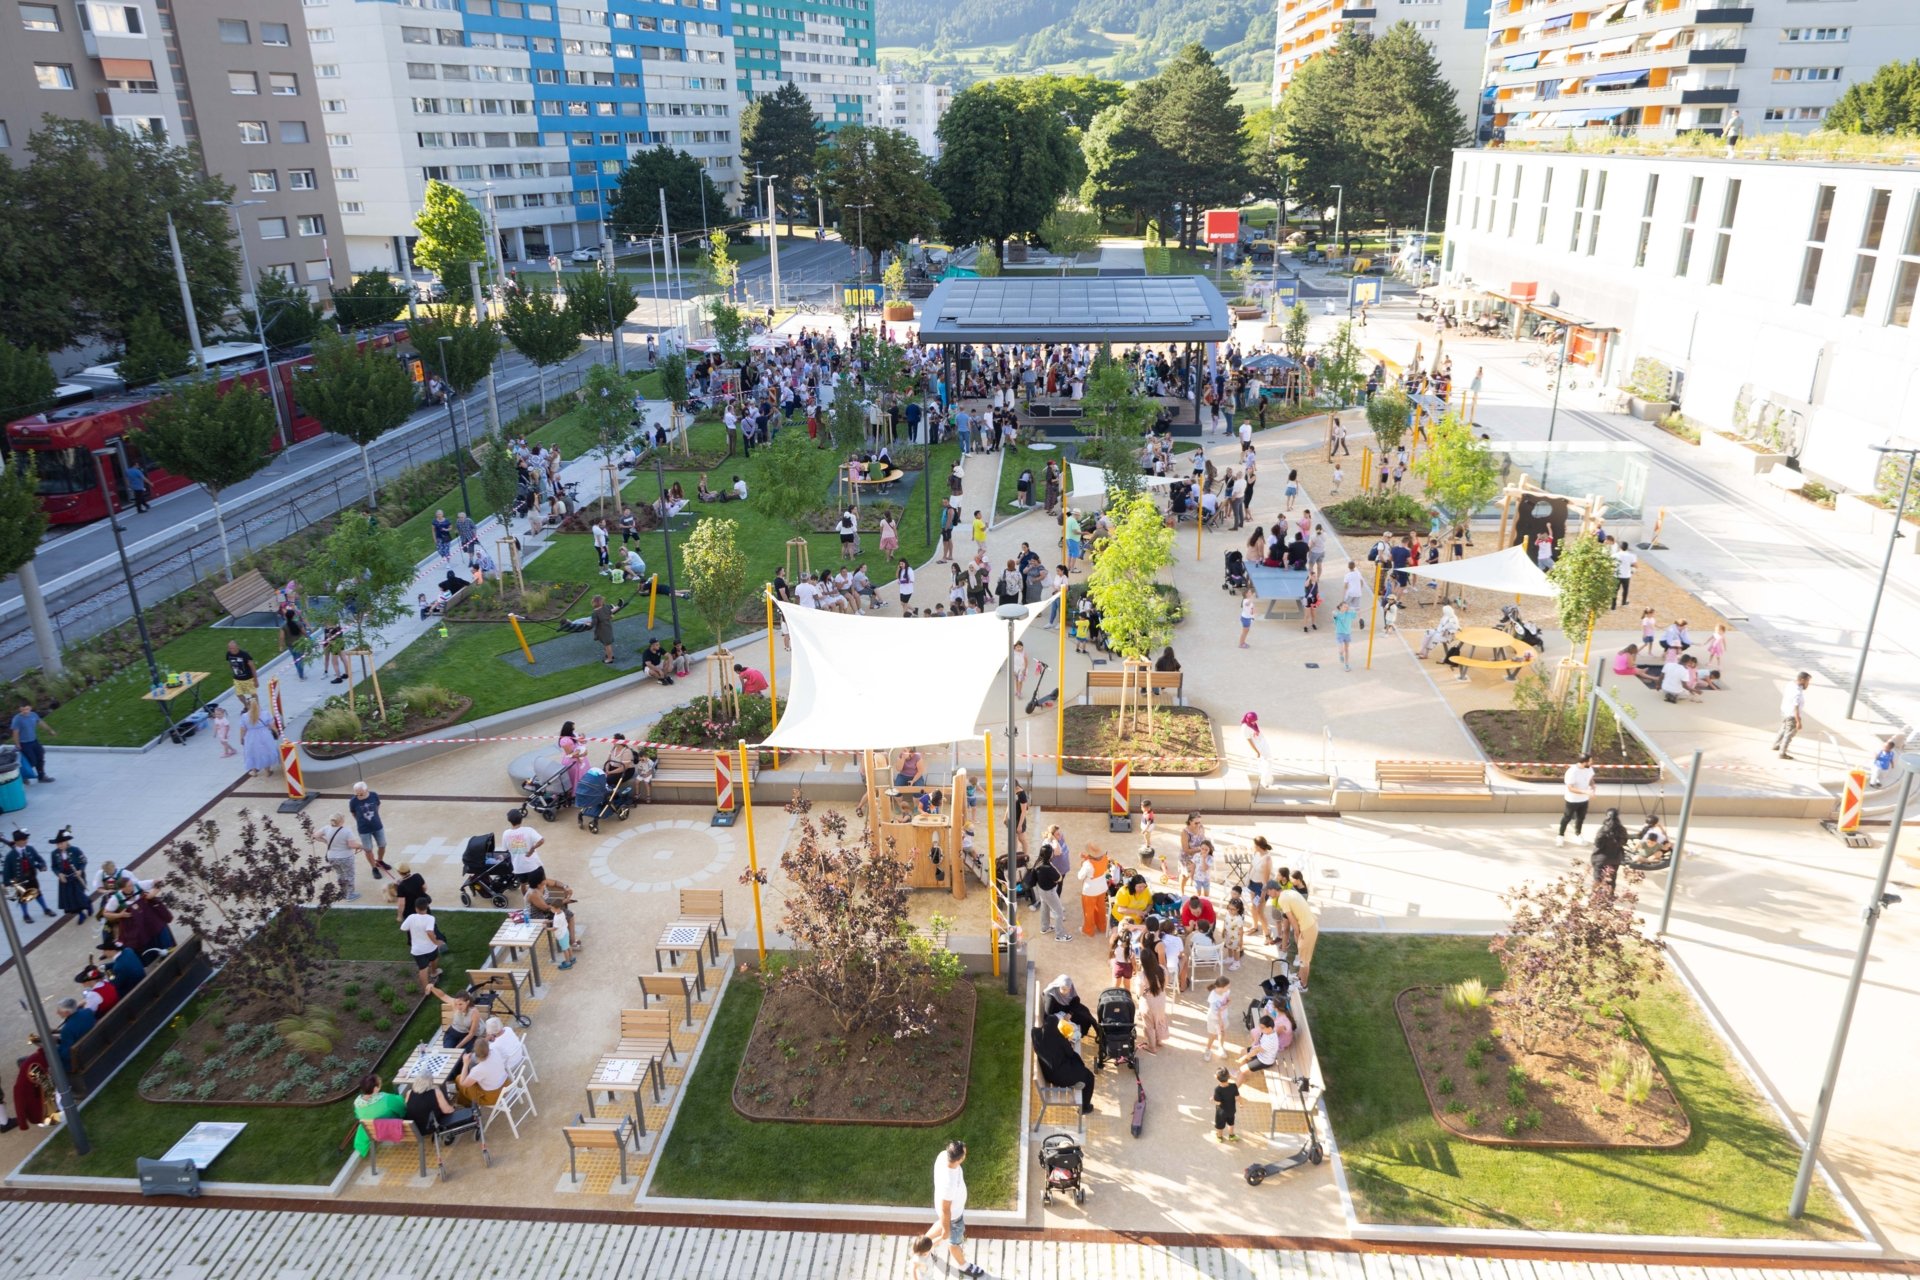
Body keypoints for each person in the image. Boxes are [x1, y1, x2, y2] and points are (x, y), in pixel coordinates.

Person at [930, 1140, 985, 1278]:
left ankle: (924, 1244)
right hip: (954, 1216)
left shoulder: (943, 1155)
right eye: (965, 1153)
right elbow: (945, 1209)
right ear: (960, 1159)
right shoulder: (949, 1182)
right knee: (953, 1242)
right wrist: (946, 1231)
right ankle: (963, 1266)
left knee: (942, 1223)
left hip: (946, 1211)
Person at [1032, 1014, 1097, 1110]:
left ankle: (1075, 1082)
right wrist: (1066, 1040)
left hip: (1048, 1072)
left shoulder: (1036, 1034)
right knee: (1089, 1077)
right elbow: (1070, 1053)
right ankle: (1085, 1108)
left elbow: (1036, 1030)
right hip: (1058, 1076)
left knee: (1077, 1067)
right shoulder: (1059, 1039)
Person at [351, 1074, 408, 1158]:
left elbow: (358, 1115)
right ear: (375, 1089)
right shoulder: (386, 1099)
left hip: (372, 1131)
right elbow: (402, 1109)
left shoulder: (357, 1103)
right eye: (379, 1083)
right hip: (392, 1126)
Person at [3, 831, 52, 923]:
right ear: (17, 841)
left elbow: (39, 859)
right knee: (23, 898)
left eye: (26, 839)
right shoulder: (10, 856)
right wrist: (7, 884)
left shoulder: (30, 849)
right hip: (20, 880)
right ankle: (26, 915)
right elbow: (7, 872)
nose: (26, 841)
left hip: (31, 877)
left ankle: (46, 909)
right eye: (23, 839)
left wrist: (42, 865)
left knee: (37, 893)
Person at [313, 812, 363, 901]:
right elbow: (351, 845)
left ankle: (343, 892)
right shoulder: (346, 831)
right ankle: (350, 895)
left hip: (331, 857)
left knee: (339, 874)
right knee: (349, 875)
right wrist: (360, 846)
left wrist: (325, 841)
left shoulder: (326, 828)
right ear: (342, 821)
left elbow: (315, 836)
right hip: (345, 857)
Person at [401, 898, 445, 992]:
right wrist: (436, 942)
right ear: (427, 907)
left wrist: (413, 928)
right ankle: (434, 972)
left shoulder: (411, 917)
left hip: (417, 950)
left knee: (423, 968)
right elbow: (429, 932)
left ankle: (426, 989)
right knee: (434, 958)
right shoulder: (430, 918)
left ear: (416, 908)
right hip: (430, 947)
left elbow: (403, 928)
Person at [349, 782, 391, 877]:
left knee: (382, 844)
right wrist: (360, 821)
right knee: (368, 849)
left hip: (377, 825)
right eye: (356, 793)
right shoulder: (353, 801)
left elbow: (377, 806)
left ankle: (379, 861)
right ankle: (374, 868)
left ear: (366, 790)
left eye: (361, 793)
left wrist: (375, 817)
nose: (358, 795)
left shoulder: (374, 795)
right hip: (364, 829)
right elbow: (353, 813)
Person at [49, 828, 88, 929]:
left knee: (79, 896)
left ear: (66, 842)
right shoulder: (54, 854)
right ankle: (80, 914)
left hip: (76, 876)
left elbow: (83, 861)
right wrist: (59, 874)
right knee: (71, 899)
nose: (60, 845)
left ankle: (88, 904)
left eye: (61, 843)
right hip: (65, 879)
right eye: (58, 844)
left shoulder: (75, 850)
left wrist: (80, 870)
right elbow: (54, 867)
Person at [456, 1038, 510, 1108]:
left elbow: (463, 1083)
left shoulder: (478, 1069)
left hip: (493, 1097)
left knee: (459, 1079)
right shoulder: (495, 1051)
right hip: (506, 1085)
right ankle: (463, 1102)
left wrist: (465, 1064)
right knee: (471, 1081)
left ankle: (466, 1105)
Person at [1234, 1014, 1286, 1085]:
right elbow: (1259, 1039)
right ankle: (1243, 1076)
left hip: (1264, 1060)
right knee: (1243, 1051)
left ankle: (1234, 1090)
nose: (1260, 1029)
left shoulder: (1270, 1041)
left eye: (1262, 1028)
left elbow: (1256, 1051)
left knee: (1242, 1069)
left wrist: (1244, 1058)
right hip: (1260, 1052)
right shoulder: (1268, 1031)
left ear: (1270, 1028)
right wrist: (1255, 1042)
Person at [11, 702, 55, 784]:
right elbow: (15, 733)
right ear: (20, 709)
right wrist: (17, 745)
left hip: (34, 741)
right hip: (24, 743)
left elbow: (41, 723)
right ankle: (23, 776)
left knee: (40, 757)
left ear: (30, 708)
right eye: (23, 709)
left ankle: (41, 776)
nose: (25, 711)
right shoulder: (17, 719)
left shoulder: (33, 715)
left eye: (27, 709)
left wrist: (50, 730)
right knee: (32, 761)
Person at [500, 807, 545, 885]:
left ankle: (526, 897)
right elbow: (541, 840)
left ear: (509, 820)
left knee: (524, 885)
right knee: (541, 884)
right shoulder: (529, 830)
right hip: (533, 866)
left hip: (519, 868)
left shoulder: (506, 834)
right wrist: (532, 849)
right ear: (521, 819)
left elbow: (505, 849)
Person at [1558, 753, 1596, 845]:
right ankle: (1560, 835)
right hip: (1572, 800)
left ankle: (1578, 834)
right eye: (1590, 762)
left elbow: (1590, 779)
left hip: (1584, 800)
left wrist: (1593, 786)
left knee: (1581, 818)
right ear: (1584, 762)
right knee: (1567, 817)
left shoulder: (1589, 769)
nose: (1592, 763)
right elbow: (1570, 788)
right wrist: (1585, 792)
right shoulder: (1572, 772)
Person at [1077, 846, 1113, 936]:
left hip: (1090, 891)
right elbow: (1097, 860)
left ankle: (1088, 930)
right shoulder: (1105, 858)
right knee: (1101, 908)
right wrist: (1086, 858)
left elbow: (1080, 876)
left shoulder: (1087, 864)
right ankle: (1102, 927)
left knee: (1088, 911)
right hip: (1102, 887)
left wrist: (1084, 862)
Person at [1590, 809, 1630, 893]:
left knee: (1598, 878)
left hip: (1600, 858)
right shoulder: (1622, 829)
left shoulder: (1603, 830)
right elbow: (1624, 842)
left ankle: (1595, 896)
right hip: (1615, 858)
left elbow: (1597, 843)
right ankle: (1610, 896)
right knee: (1611, 879)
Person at [1030, 853, 1067, 941]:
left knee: (1045, 907)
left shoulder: (1038, 863)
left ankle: (1045, 928)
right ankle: (1060, 935)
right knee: (1059, 913)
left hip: (1041, 890)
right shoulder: (1049, 867)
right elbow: (1059, 878)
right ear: (1050, 855)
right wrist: (1053, 866)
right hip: (1049, 892)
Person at [1774, 671, 1811, 759]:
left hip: (1784, 712)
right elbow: (1796, 708)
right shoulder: (1797, 694)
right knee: (1789, 734)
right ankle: (1782, 753)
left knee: (1783, 729)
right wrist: (1798, 721)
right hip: (1792, 715)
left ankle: (1776, 745)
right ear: (1802, 680)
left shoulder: (1791, 684)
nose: (1808, 684)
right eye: (1807, 681)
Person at [54, 997, 95, 1072]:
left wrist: (54, 1047)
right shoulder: (88, 1012)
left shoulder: (67, 1029)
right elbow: (79, 1029)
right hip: (93, 1045)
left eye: (59, 1011)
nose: (57, 1013)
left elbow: (66, 1055)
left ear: (67, 1013)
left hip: (81, 1058)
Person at [239, 699, 279, 777]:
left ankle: (254, 771)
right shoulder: (265, 714)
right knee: (265, 751)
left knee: (251, 752)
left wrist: (241, 738)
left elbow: (243, 729)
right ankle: (268, 771)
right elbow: (272, 725)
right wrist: (276, 733)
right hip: (265, 735)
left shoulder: (244, 716)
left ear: (247, 706)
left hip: (251, 736)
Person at [1213, 1066, 1241, 1142]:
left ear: (1216, 1077)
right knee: (1231, 1123)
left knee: (1220, 1125)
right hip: (1231, 1110)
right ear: (1229, 1076)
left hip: (1221, 1112)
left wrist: (1212, 1099)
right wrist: (1241, 1103)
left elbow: (1218, 1102)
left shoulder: (1217, 1089)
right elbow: (1238, 1097)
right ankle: (1231, 1135)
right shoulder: (1234, 1086)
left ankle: (1219, 1137)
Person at [591, 595, 616, 665]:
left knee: (607, 645)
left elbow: (594, 623)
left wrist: (588, 624)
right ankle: (610, 655)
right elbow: (611, 616)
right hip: (608, 627)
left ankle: (610, 659)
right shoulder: (606, 607)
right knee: (608, 643)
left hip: (602, 630)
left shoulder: (595, 613)